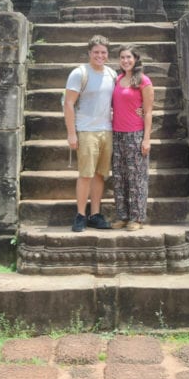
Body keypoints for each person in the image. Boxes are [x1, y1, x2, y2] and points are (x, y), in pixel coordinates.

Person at [63, 34, 117, 232]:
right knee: (85, 174)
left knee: (100, 174)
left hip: (107, 130)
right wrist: (71, 133)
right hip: (86, 130)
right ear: (89, 53)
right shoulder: (79, 73)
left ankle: (95, 214)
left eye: (103, 52)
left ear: (107, 54)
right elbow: (68, 103)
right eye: (96, 52)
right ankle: (80, 214)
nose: (100, 56)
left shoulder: (111, 74)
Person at [111, 46, 154, 231]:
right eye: (122, 57)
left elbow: (149, 111)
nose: (125, 60)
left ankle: (137, 218)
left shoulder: (143, 81)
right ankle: (123, 216)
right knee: (120, 178)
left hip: (135, 134)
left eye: (129, 57)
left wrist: (146, 138)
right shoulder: (118, 79)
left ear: (135, 59)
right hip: (117, 134)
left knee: (137, 178)